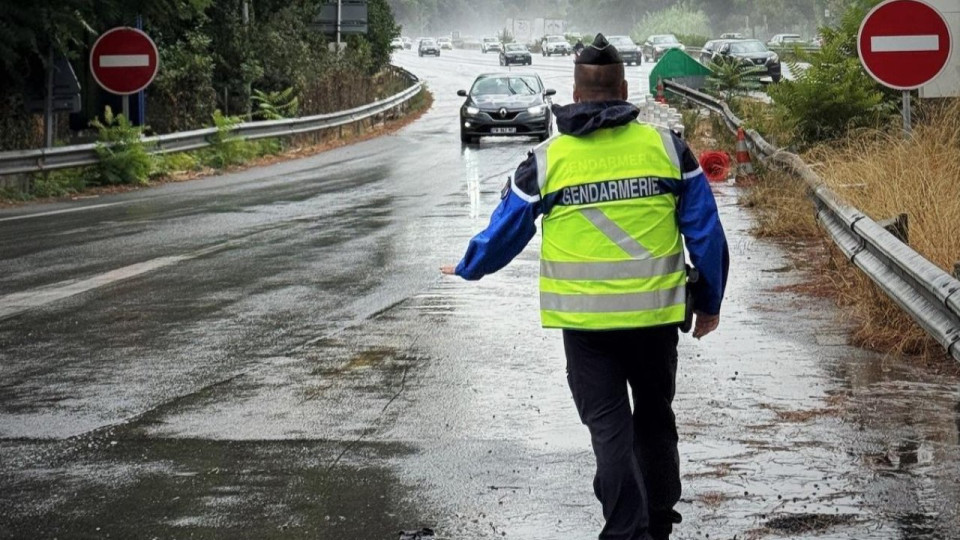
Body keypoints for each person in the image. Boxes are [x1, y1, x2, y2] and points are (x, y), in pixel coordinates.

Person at [441, 34, 729, 540]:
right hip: (655, 320)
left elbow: (507, 229)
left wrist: (469, 266)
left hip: (586, 326)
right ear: (624, 89)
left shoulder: (548, 160)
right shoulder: (668, 150)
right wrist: (709, 303)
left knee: (609, 428)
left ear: (574, 97)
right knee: (655, 418)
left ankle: (624, 529)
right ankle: (658, 518)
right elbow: (705, 232)